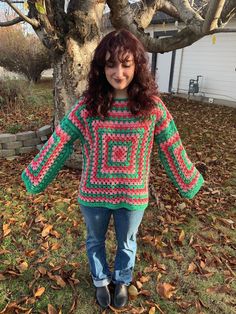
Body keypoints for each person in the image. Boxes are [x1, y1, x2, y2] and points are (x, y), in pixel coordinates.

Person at [21, 29, 204, 309]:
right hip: (93, 194)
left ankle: (122, 280)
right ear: (100, 68)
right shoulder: (88, 106)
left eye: (126, 64)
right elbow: (62, 139)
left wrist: (188, 179)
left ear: (137, 66)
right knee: (95, 240)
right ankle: (100, 280)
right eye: (110, 64)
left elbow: (171, 144)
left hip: (133, 196)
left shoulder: (151, 107)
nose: (118, 72)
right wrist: (37, 173)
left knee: (127, 242)